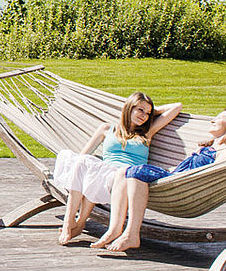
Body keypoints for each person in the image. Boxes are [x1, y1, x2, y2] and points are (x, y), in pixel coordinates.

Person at [95, 107, 226, 252]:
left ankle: (131, 234)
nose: (212, 120)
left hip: (185, 185)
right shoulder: (207, 147)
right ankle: (114, 229)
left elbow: (214, 175)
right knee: (123, 171)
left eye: (219, 117)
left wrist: (184, 182)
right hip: (174, 179)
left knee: (136, 172)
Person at [54, 92, 182, 245]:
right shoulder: (106, 129)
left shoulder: (147, 133)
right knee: (81, 162)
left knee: (95, 173)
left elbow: (177, 107)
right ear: (129, 108)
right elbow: (83, 154)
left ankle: (79, 222)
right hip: (104, 173)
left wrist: (154, 111)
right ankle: (70, 222)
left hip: (125, 179)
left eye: (147, 113)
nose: (144, 116)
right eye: (140, 110)